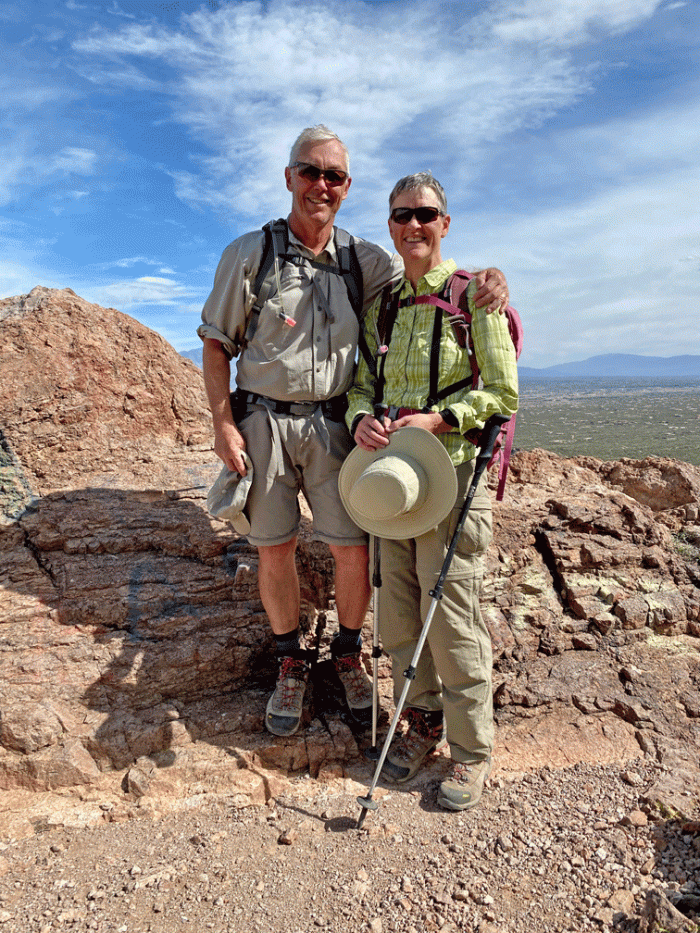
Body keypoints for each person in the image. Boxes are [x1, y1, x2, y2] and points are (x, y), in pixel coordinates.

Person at [198, 126, 510, 739]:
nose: (321, 184)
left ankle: (346, 653)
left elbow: (427, 279)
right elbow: (215, 342)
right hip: (263, 420)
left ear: (346, 187)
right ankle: (291, 660)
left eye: (334, 176)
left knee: (352, 547)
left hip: (337, 423)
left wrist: (491, 279)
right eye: (310, 172)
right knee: (274, 546)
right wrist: (222, 424)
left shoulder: (365, 261)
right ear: (289, 177)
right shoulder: (250, 254)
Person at [346, 171, 518, 810]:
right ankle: (419, 723)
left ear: (445, 223)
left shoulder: (476, 297)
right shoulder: (385, 307)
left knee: (451, 619)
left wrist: (441, 420)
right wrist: (359, 419)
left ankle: (471, 752)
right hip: (394, 483)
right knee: (397, 615)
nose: (413, 225)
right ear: (390, 225)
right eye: (401, 215)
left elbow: (503, 393)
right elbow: (362, 386)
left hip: (453, 478)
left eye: (425, 214)